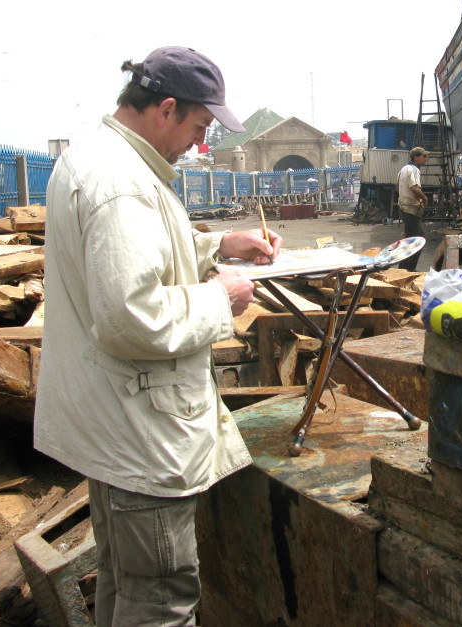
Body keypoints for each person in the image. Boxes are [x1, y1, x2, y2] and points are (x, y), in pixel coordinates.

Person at [33, 46, 283, 626]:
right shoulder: (121, 184)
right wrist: (223, 297)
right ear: (165, 108)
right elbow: (131, 315)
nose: (198, 144)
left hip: (113, 422)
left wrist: (219, 244)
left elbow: (138, 256)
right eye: (198, 127)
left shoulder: (101, 158)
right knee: (161, 601)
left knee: (125, 583)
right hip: (140, 435)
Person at [396, 146, 429, 271]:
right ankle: (406, 269)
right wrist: (425, 198)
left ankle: (407, 268)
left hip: (403, 208)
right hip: (411, 209)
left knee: (414, 239)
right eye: (423, 156)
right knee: (414, 241)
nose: (426, 159)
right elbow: (414, 188)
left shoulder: (403, 169)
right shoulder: (414, 170)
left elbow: (397, 188)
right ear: (416, 157)